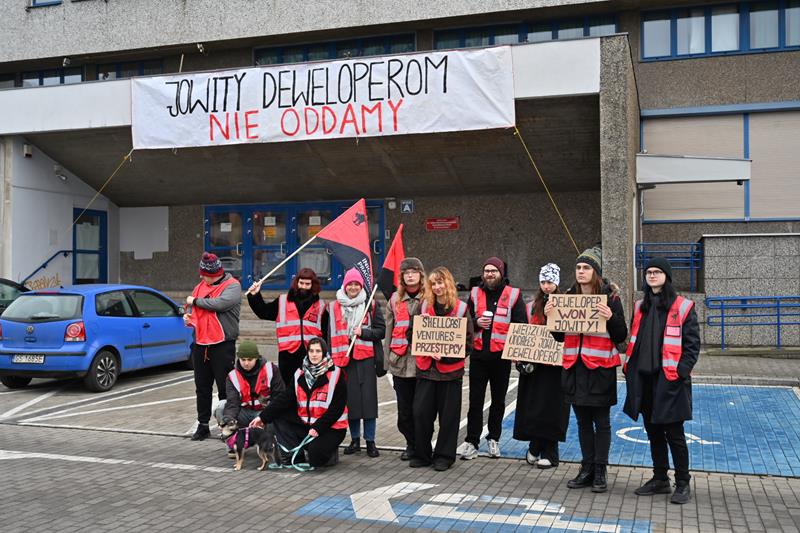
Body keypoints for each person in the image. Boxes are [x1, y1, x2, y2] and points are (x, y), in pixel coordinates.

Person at [547, 246, 627, 493]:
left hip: (600, 369)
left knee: (601, 422)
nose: (581, 271)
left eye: (586, 268)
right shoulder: (568, 297)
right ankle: (587, 468)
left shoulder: (611, 298)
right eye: (578, 267)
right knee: (582, 422)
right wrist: (551, 317)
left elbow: (621, 336)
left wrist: (611, 316)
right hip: (574, 368)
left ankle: (600, 470)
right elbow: (559, 336)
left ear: (596, 272)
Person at [623, 257, 700, 505]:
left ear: (666, 276)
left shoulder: (683, 306)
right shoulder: (640, 306)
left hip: (669, 380)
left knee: (675, 434)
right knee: (654, 432)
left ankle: (683, 482)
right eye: (648, 272)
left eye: (657, 272)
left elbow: (692, 345)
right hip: (644, 380)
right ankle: (660, 479)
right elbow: (633, 339)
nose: (652, 275)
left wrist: (681, 372)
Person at [458, 257, 527, 460]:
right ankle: (472, 441)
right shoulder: (474, 293)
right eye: (486, 270)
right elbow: (464, 322)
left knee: (498, 401)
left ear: (501, 273)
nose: (489, 274)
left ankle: (493, 439)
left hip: (501, 358)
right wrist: (476, 322)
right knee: (475, 402)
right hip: (479, 357)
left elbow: (521, 325)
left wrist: (518, 354)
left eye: (493, 271)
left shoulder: (513, 295)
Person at [411, 267, 474, 471]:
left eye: (440, 282)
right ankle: (422, 454)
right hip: (426, 370)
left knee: (448, 418)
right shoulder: (423, 306)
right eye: (433, 284)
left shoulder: (461, 309)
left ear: (448, 283)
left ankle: (444, 456)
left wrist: (445, 355)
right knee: (421, 414)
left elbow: (467, 344)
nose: (437, 287)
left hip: (450, 373)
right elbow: (411, 334)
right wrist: (423, 339)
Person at [251, 337, 346, 468]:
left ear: (324, 353)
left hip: (331, 427)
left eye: (318, 351)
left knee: (316, 458)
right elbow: (284, 399)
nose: (314, 354)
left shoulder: (337, 375)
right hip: (307, 424)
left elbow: (337, 409)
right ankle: (296, 455)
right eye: (311, 351)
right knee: (278, 415)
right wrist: (262, 417)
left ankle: (330, 453)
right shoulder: (299, 373)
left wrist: (318, 428)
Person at [514, 263, 570, 469]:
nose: (546, 286)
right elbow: (524, 331)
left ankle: (550, 452)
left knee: (552, 408)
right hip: (535, 363)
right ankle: (535, 444)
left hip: (555, 365)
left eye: (550, 282)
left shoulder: (565, 303)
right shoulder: (531, 305)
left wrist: (551, 316)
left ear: (557, 283)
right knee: (534, 406)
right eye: (543, 282)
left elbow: (564, 334)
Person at [184, 252, 241, 441]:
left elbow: (220, 304)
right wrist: (187, 316)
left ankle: (228, 425)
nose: (201, 277)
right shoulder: (200, 286)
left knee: (226, 388)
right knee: (202, 387)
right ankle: (203, 425)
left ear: (216, 273)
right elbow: (191, 308)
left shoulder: (232, 286)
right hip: (201, 343)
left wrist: (195, 301)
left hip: (222, 344)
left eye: (205, 274)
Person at [329, 268, 386, 458]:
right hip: (344, 360)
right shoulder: (334, 306)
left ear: (361, 286)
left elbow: (381, 331)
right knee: (351, 403)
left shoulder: (371, 305)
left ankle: (370, 441)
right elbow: (329, 334)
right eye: (350, 284)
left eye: (356, 284)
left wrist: (364, 333)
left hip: (366, 359)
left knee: (368, 403)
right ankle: (354, 440)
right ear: (344, 286)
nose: (353, 287)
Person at [246, 268, 328, 388]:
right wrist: (255, 295)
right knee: (288, 390)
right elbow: (264, 312)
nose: (303, 287)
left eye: (307, 284)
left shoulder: (321, 306)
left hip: (312, 355)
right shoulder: (282, 301)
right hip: (288, 356)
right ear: (296, 283)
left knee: (310, 389)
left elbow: (325, 333)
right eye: (301, 283)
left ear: (313, 285)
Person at [384, 257, 426, 461]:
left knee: (422, 410)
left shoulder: (430, 298)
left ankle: (422, 445)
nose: (410, 276)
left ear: (421, 275)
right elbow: (389, 331)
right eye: (406, 273)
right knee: (404, 412)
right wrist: (387, 360)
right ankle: (411, 444)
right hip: (400, 363)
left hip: (423, 364)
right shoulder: (394, 299)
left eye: (414, 272)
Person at [215, 340, 285, 457]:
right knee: (221, 407)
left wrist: (263, 417)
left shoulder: (271, 370)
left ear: (256, 358)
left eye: (250, 359)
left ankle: (268, 444)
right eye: (243, 360)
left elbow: (279, 398)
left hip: (264, 412)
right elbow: (232, 403)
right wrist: (227, 421)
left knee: (277, 412)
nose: (246, 363)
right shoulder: (232, 376)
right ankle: (233, 444)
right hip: (245, 414)